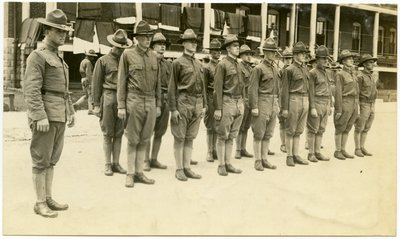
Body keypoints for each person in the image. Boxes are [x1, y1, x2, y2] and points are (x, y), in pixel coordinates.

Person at [23, 9, 75, 218]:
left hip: (59, 114)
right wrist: (39, 115)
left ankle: (48, 197)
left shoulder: (58, 58)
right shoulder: (38, 56)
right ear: (47, 30)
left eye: (65, 31)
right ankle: (39, 202)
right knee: (40, 159)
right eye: (59, 31)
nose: (64, 35)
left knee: (52, 160)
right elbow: (31, 89)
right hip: (46, 116)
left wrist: (70, 111)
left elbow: (63, 90)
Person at [117, 20, 161, 188]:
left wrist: (157, 104)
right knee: (132, 138)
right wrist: (121, 105)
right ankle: (130, 173)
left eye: (149, 37)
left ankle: (139, 173)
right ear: (136, 38)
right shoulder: (127, 55)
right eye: (143, 37)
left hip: (150, 100)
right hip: (133, 100)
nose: (147, 40)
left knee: (144, 138)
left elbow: (157, 82)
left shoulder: (154, 56)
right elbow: (121, 81)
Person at [168, 29, 207, 181]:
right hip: (183, 102)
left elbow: (202, 85)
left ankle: (187, 168)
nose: (194, 44)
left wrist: (203, 104)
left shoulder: (199, 63)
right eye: (191, 41)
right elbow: (172, 87)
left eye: (195, 41)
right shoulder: (177, 63)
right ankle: (179, 169)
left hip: (196, 102)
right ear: (184, 43)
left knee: (190, 137)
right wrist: (173, 109)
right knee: (179, 137)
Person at [92, 29, 132, 176]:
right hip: (108, 97)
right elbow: (96, 85)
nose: (121, 51)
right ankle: (107, 164)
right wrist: (96, 105)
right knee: (108, 134)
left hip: (123, 100)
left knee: (119, 133)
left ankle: (116, 163)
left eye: (123, 48)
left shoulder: (126, 62)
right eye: (118, 48)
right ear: (112, 46)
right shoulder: (102, 61)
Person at [214, 34, 244, 176]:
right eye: (234, 46)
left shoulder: (238, 64)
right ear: (227, 48)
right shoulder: (222, 65)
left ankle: (228, 163)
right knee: (222, 135)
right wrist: (218, 108)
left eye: (237, 46)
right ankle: (221, 165)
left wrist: (242, 102)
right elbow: (217, 88)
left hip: (238, 102)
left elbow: (242, 85)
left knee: (232, 135)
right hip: (227, 101)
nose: (237, 48)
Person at [248, 37, 280, 171]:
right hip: (262, 101)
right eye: (270, 52)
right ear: (265, 52)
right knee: (259, 133)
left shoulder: (275, 68)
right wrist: (254, 106)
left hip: (273, 102)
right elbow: (252, 89)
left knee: (268, 134)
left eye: (274, 52)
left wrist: (277, 105)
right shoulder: (258, 69)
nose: (273, 54)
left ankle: (264, 158)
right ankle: (257, 160)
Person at [280, 41, 310, 167]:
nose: (303, 55)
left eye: (304, 53)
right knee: (290, 130)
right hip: (293, 99)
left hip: (304, 99)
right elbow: (284, 90)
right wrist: (284, 108)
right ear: (295, 55)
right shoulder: (289, 70)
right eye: (301, 53)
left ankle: (296, 154)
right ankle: (289, 156)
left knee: (299, 130)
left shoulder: (305, 69)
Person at [144, 32, 170, 171]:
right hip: (152, 99)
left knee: (160, 132)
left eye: (164, 45)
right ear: (152, 46)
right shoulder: (148, 63)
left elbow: (172, 84)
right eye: (159, 44)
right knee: (148, 131)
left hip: (165, 99)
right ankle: (145, 160)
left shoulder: (167, 64)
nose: (162, 47)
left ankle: (154, 159)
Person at [306, 45, 332, 162]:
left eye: (326, 58)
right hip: (316, 101)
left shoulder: (326, 73)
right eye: (323, 58)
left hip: (325, 102)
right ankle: (311, 153)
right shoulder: (312, 73)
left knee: (321, 129)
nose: (326, 61)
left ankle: (317, 152)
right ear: (317, 60)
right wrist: (312, 107)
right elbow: (310, 91)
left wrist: (330, 105)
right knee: (313, 128)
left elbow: (329, 89)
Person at [333, 50, 359, 160]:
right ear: (343, 61)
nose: (351, 60)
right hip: (345, 102)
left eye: (352, 58)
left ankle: (343, 149)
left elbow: (357, 90)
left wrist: (356, 107)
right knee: (340, 126)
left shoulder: (353, 74)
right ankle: (337, 150)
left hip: (353, 103)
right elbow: (338, 93)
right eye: (349, 59)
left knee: (347, 127)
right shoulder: (340, 74)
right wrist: (338, 109)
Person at [354, 54, 378, 157]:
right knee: (359, 128)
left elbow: (374, 91)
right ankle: (357, 148)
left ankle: (362, 147)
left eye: (373, 62)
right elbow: (357, 93)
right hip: (363, 103)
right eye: (370, 63)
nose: (372, 64)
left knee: (367, 128)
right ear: (364, 64)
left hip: (371, 104)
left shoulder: (372, 76)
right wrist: (358, 108)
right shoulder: (360, 76)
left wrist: (373, 106)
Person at [203, 38, 222, 162]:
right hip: (210, 96)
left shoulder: (222, 65)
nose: (217, 54)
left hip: (219, 97)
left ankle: (215, 149)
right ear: (211, 53)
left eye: (219, 51)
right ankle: (209, 151)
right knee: (210, 125)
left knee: (217, 125)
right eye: (214, 51)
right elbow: (204, 86)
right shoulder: (207, 67)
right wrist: (205, 103)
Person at [235, 44, 254, 159]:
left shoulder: (251, 69)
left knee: (246, 125)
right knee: (240, 125)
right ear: (241, 55)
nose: (249, 56)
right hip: (242, 98)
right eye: (246, 54)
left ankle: (243, 148)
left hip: (250, 99)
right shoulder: (238, 67)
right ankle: (237, 149)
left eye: (250, 54)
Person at [73, 49, 97, 114]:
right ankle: (90, 110)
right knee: (90, 95)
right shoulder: (88, 62)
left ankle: (76, 104)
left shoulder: (83, 61)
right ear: (89, 56)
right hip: (87, 79)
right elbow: (89, 73)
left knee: (86, 95)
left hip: (83, 79)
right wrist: (91, 83)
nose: (93, 58)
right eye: (92, 56)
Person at [278, 47, 293, 153]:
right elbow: (279, 87)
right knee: (282, 123)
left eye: (290, 58)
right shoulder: (281, 71)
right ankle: (283, 143)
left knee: (292, 123)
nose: (288, 60)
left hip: (292, 99)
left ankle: (289, 144)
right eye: (286, 58)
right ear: (283, 59)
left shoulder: (293, 70)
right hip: (282, 98)